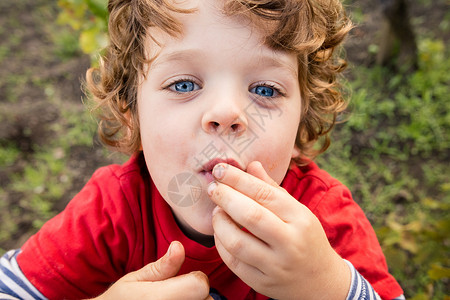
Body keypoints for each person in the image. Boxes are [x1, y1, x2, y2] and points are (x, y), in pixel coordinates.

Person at [0, 0, 405, 299]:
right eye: (184, 84)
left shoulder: (323, 220)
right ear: (131, 113)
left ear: (301, 123)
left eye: (264, 89)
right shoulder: (114, 210)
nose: (227, 114)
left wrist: (327, 286)